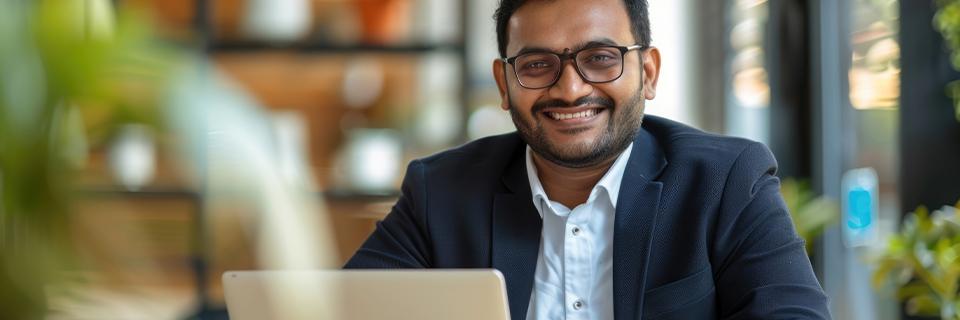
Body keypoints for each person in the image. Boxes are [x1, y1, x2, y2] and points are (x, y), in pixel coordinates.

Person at [345, 0, 831, 319]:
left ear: (648, 72)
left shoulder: (727, 181)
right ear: (503, 84)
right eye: (537, 65)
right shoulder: (441, 192)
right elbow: (341, 310)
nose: (571, 88)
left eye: (600, 58)